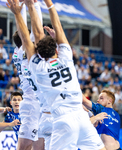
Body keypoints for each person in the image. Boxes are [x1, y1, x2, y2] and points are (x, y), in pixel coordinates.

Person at [7, 0, 105, 149]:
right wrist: (47, 3)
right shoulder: (66, 58)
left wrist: (19, 13)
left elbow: (27, 39)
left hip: (58, 118)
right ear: (56, 49)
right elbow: (53, 29)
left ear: (38, 52)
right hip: (80, 117)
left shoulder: (38, 67)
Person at [9, 1, 42, 150]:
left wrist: (20, 10)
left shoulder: (17, 52)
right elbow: (36, 31)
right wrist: (35, 6)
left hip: (32, 103)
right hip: (33, 104)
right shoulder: (27, 50)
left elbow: (23, 31)